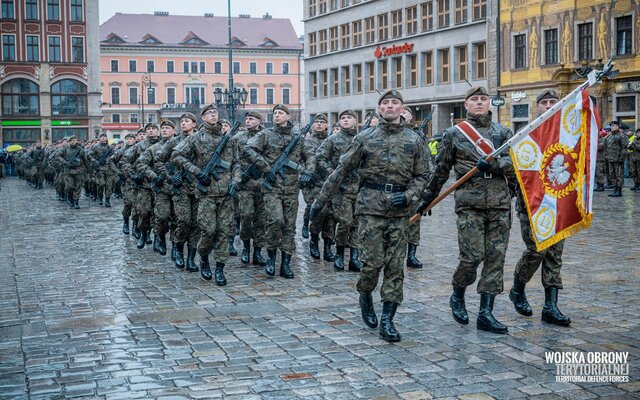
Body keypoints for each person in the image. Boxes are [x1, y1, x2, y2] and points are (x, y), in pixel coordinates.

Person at [311, 90, 429, 342]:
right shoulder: (365, 138)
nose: (390, 106)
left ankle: (388, 319)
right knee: (372, 264)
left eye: (394, 103)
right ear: (379, 109)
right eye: (385, 103)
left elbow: (423, 176)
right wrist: (320, 201)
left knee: (396, 267)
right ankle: (365, 294)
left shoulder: (414, 139)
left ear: (402, 108)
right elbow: (342, 170)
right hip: (370, 209)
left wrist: (410, 195)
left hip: (399, 211)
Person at [416, 86, 516, 334]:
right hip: (469, 204)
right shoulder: (455, 134)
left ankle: (486, 313)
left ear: (489, 103)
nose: (480, 103)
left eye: (483, 99)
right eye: (474, 100)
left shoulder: (503, 132)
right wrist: (427, 198)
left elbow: (516, 163)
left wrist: (495, 165)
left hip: (499, 204)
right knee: (471, 257)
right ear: (467, 105)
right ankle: (458, 294)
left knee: (495, 259)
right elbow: (440, 169)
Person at [508, 89, 571, 327]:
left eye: (552, 102)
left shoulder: (567, 133)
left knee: (555, 255)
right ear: (538, 107)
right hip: (532, 204)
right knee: (536, 250)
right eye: (544, 103)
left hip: (559, 202)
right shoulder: (527, 134)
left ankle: (550, 306)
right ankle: (518, 287)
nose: (548, 106)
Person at [245, 104, 316, 279]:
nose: (276, 116)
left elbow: (311, 155)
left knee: (289, 227)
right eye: (275, 113)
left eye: (280, 113)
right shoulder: (265, 135)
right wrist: (265, 167)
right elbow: (248, 148)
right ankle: (271, 258)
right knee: (275, 221)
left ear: (288, 117)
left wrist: (308, 171)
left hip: (292, 188)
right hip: (272, 188)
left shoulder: (297, 138)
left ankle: (285, 263)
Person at [172, 104, 240, 285]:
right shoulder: (196, 138)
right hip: (206, 193)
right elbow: (176, 155)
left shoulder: (229, 140)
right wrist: (196, 171)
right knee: (208, 231)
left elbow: (236, 164)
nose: (213, 115)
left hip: (226, 193)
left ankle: (219, 268)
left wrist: (235, 182)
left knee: (224, 232)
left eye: (215, 112)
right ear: (202, 118)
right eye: (209, 113)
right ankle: (203, 259)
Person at [316, 110, 363, 272]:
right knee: (345, 222)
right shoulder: (332, 140)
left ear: (355, 121)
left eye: (349, 118)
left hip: (359, 188)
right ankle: (339, 254)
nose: (345, 120)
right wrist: (333, 174)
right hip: (340, 189)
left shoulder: (362, 139)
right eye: (342, 118)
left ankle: (354, 257)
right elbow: (320, 158)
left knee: (356, 224)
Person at [232, 111, 269, 266]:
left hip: (263, 183)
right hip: (245, 184)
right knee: (246, 216)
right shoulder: (238, 138)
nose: (247, 121)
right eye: (246, 119)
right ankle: (246, 247)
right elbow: (234, 160)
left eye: (251, 119)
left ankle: (258, 251)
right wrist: (239, 177)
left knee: (261, 219)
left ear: (259, 121)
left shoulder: (267, 136)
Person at [303, 114, 336, 262]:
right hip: (312, 183)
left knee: (330, 213)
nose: (318, 124)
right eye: (316, 122)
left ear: (327, 125)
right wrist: (304, 174)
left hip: (328, 182)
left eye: (322, 122)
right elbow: (298, 160)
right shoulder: (305, 141)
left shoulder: (332, 140)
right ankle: (314, 240)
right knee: (318, 211)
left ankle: (328, 245)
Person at [55, 136, 88, 209]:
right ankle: (70, 198)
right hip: (68, 171)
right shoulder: (65, 149)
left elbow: (85, 160)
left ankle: (76, 201)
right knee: (69, 187)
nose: (73, 141)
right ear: (69, 141)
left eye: (74, 140)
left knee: (78, 187)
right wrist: (65, 162)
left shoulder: (80, 150)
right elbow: (57, 156)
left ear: (76, 141)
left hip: (78, 170)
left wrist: (88, 170)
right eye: (71, 140)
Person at [88, 133, 115, 207]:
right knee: (101, 185)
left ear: (106, 138)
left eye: (105, 137)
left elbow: (114, 156)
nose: (103, 138)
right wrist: (94, 161)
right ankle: (100, 198)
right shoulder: (96, 147)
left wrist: (111, 158)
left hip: (109, 169)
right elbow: (89, 155)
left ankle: (107, 200)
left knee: (109, 186)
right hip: (100, 169)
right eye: (102, 137)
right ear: (100, 138)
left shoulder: (110, 147)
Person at [604, 121, 628, 197]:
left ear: (618, 126)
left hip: (618, 159)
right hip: (610, 159)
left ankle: (619, 190)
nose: (612, 127)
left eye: (614, 126)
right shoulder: (610, 136)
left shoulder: (621, 136)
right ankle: (615, 189)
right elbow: (607, 148)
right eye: (611, 126)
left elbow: (624, 148)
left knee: (619, 175)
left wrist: (622, 158)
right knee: (612, 174)